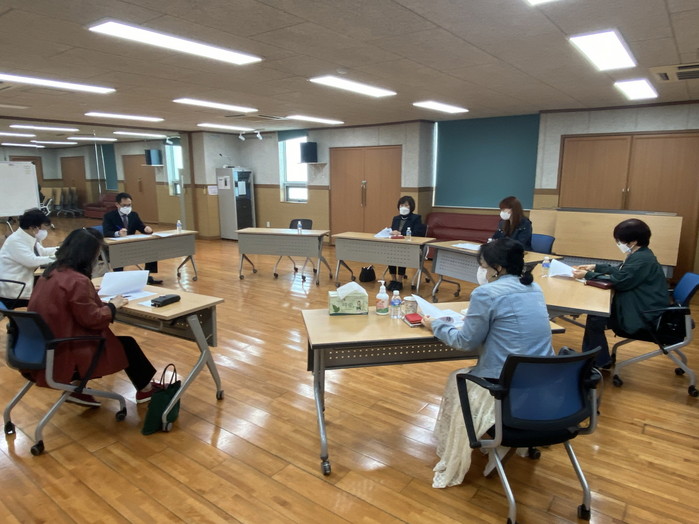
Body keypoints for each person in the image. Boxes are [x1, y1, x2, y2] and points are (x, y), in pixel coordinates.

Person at [422, 238, 554, 488]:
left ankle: (468, 442)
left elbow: (465, 341)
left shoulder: (485, 293)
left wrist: (435, 325)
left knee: (457, 378)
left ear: (498, 268)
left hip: (505, 383)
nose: (481, 271)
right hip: (542, 381)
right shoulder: (533, 288)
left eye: (483, 266)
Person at [26, 228, 162, 407]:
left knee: (116, 342)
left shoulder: (49, 274)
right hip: (65, 351)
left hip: (42, 347)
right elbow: (93, 320)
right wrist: (113, 306)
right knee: (127, 345)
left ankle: (78, 388)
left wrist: (88, 294)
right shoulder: (78, 281)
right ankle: (146, 389)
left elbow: (66, 303)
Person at [572, 219, 668, 368]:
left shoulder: (642, 260)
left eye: (620, 241)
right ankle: (596, 360)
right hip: (642, 304)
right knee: (595, 317)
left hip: (643, 313)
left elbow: (620, 281)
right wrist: (595, 267)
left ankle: (598, 361)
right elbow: (621, 271)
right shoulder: (641, 254)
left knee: (596, 319)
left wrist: (587, 275)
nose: (618, 243)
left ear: (633, 242)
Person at [0, 208, 57, 309]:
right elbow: (32, 261)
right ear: (33, 227)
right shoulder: (16, 241)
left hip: (24, 282)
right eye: (43, 229)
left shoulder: (27, 237)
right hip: (14, 289)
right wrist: (59, 257)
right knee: (51, 300)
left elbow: (42, 252)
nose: (44, 232)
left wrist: (63, 249)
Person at [102, 192, 162, 284]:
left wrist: (147, 229)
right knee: (118, 254)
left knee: (151, 249)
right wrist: (118, 233)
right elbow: (106, 232)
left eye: (129, 205)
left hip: (131, 244)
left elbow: (141, 227)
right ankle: (119, 279)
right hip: (115, 246)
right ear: (117, 204)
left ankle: (147, 275)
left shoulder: (133, 215)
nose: (127, 207)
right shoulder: (109, 216)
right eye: (124, 205)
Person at [388, 196, 426, 290]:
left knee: (401, 253)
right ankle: (393, 279)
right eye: (401, 205)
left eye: (406, 205)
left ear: (411, 206)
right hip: (396, 244)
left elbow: (417, 233)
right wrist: (392, 232)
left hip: (409, 246)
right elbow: (393, 230)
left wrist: (401, 233)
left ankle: (399, 281)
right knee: (390, 253)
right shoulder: (396, 218)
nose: (403, 207)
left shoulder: (416, 218)